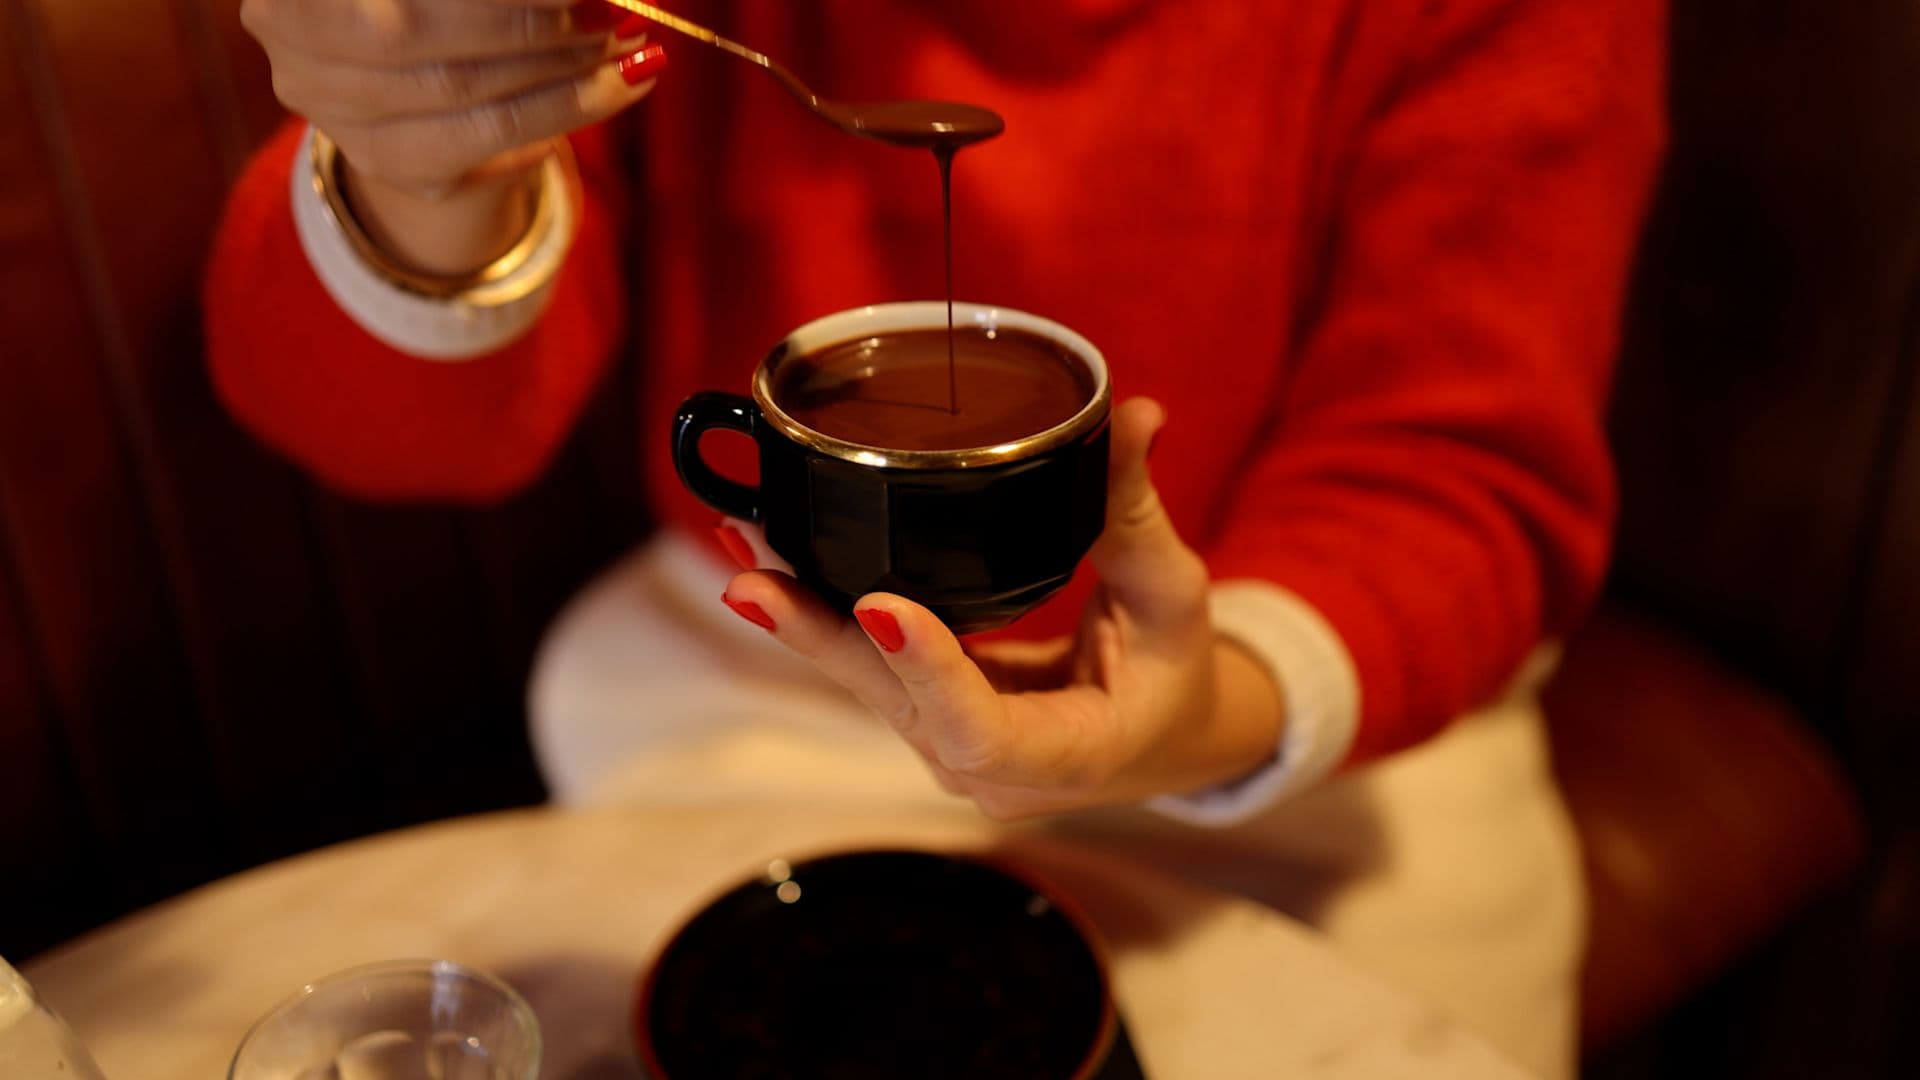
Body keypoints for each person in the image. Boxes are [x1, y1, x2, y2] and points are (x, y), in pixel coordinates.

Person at [210, 1, 1665, 1074]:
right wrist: (423, 164)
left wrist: (1207, 704)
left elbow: (1456, 472)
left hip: (1288, 725)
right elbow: (398, 428)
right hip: (759, 670)